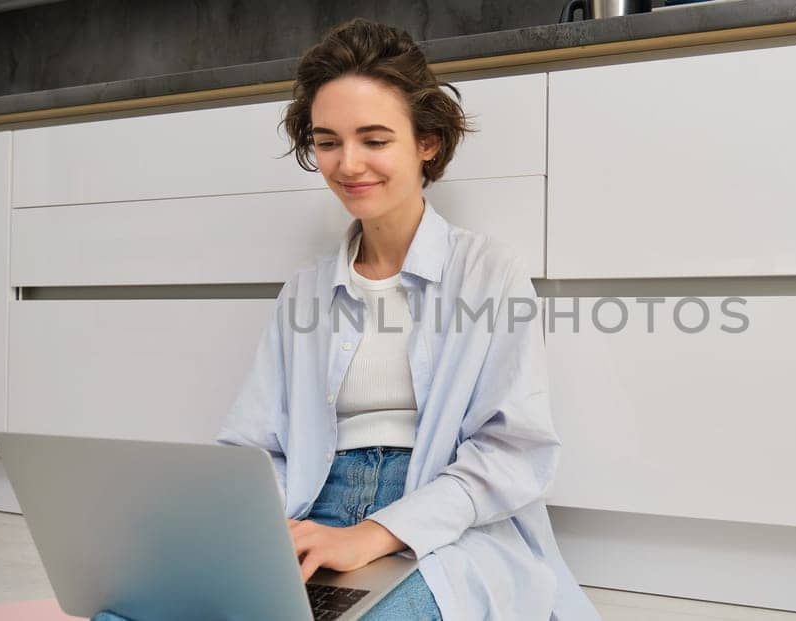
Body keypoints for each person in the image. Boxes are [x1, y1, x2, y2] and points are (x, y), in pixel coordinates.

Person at [94, 18, 599, 621]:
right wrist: (257, 532)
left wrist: (377, 532)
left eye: (375, 139)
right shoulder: (305, 291)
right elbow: (256, 447)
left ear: (427, 142)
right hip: (313, 507)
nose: (347, 164)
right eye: (328, 141)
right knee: (127, 611)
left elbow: (513, 453)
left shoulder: (489, 273)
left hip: (440, 524)